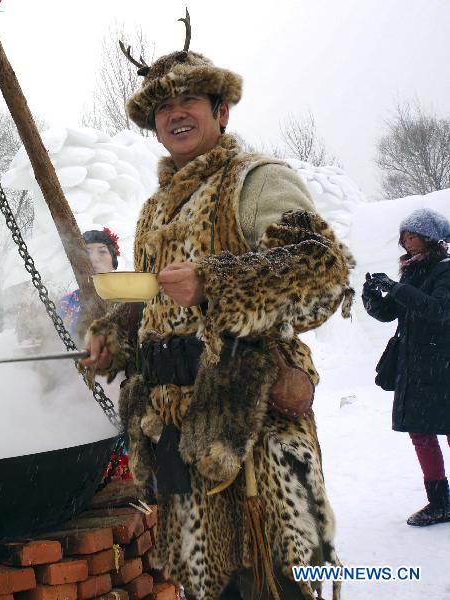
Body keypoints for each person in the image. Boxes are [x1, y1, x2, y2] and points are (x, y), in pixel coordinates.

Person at [79, 21, 354, 600]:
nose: (176, 114)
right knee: (208, 587)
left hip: (254, 433)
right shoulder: (154, 209)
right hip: (179, 435)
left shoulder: (255, 180)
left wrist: (216, 282)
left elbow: (321, 271)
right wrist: (115, 337)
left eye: (190, 101)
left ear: (221, 110)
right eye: (164, 108)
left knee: (276, 583)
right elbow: (152, 308)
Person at [362, 208, 450, 527]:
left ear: (429, 238)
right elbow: (392, 313)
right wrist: (372, 297)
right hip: (416, 367)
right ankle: (439, 501)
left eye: (411, 234)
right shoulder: (412, 271)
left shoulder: (445, 270)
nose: (405, 241)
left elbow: (439, 310)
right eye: (403, 235)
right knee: (421, 432)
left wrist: (396, 288)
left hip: (443, 366)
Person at [57, 228, 120, 338]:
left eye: (102, 251)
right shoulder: (66, 304)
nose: (94, 258)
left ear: (113, 260)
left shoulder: (129, 298)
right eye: (88, 252)